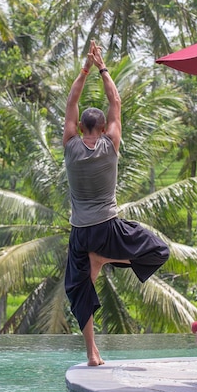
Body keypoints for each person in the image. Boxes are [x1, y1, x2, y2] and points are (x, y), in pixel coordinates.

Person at [63, 41, 170, 366]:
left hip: (81, 234)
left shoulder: (70, 147)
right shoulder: (111, 145)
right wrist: (102, 67)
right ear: (104, 128)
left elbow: (71, 101)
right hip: (109, 229)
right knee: (159, 250)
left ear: (80, 128)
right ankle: (105, 258)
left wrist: (84, 69)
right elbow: (116, 101)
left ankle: (92, 354)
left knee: (81, 291)